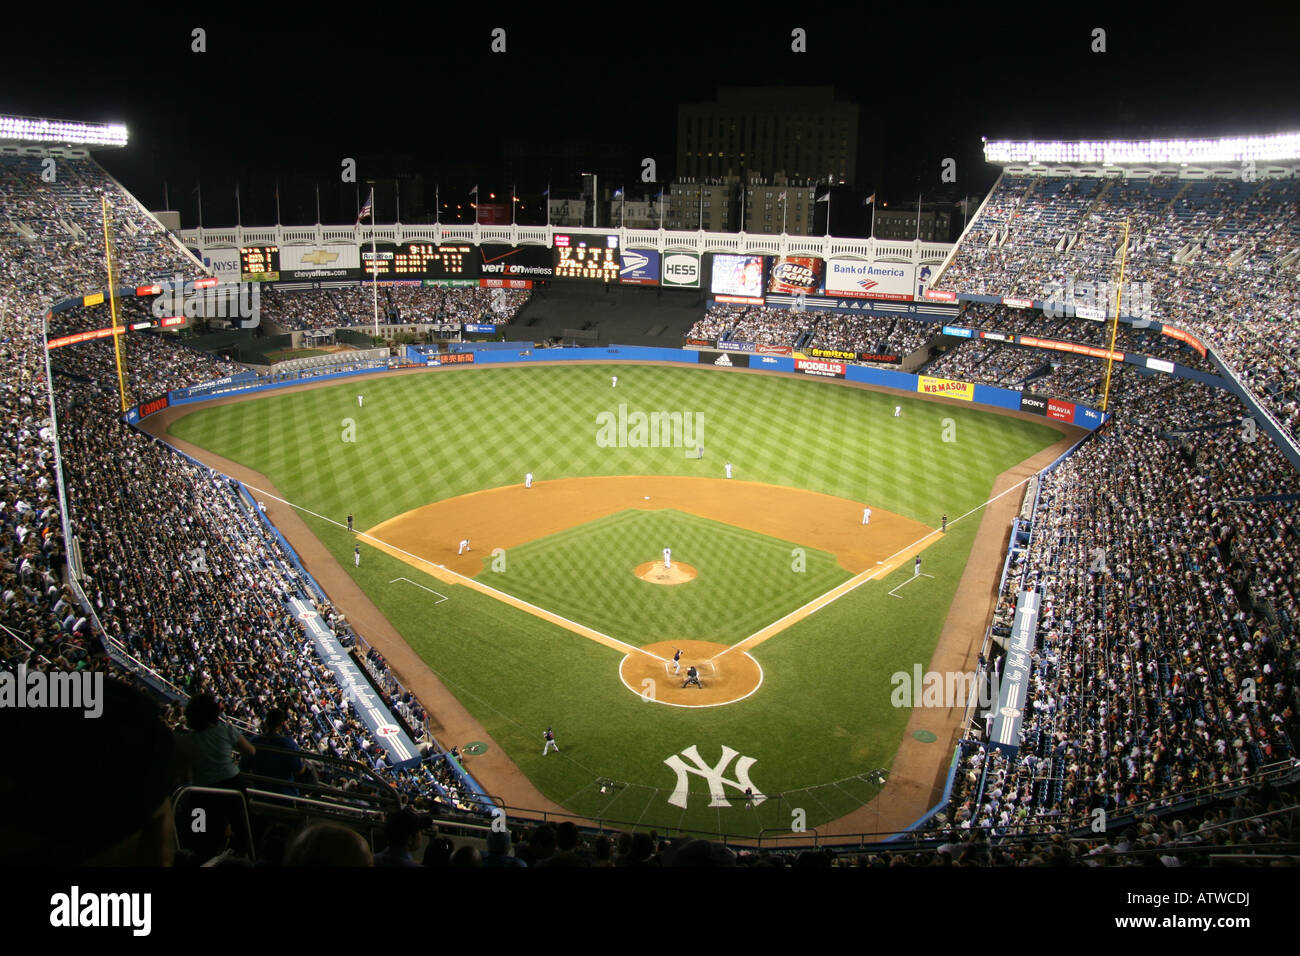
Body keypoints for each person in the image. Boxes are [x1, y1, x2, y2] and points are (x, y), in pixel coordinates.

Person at [242, 707, 305, 796]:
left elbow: (243, 767)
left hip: (259, 794)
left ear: (266, 722)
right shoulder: (289, 744)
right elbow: (300, 770)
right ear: (282, 724)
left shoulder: (253, 741)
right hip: (284, 795)